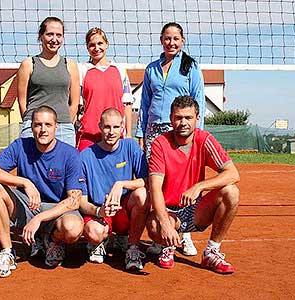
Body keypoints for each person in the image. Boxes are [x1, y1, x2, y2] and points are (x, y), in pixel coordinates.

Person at [0, 105, 84, 278]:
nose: (43, 130)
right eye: (38, 125)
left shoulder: (70, 154)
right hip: (28, 205)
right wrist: (25, 182)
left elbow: (74, 200)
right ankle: (7, 252)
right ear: (31, 127)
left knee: (73, 229)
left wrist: (39, 218)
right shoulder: (21, 146)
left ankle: (52, 241)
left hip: (56, 210)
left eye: (48, 125)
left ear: (56, 127)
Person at [146, 96, 240, 274]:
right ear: (171, 118)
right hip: (168, 210)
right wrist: (165, 224)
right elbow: (155, 188)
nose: (183, 122)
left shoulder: (205, 140)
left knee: (231, 192)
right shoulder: (160, 143)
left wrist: (199, 187)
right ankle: (167, 245)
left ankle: (212, 251)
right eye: (178, 117)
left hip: (194, 209)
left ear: (197, 118)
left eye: (188, 118)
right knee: (154, 225)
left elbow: (233, 173)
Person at [135, 22, 205, 256]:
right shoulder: (151, 68)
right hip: (154, 130)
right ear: (161, 40)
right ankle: (159, 234)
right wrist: (140, 133)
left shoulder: (190, 67)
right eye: (167, 38)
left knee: (181, 182)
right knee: (157, 182)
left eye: (175, 38)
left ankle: (184, 234)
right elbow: (144, 103)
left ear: (182, 41)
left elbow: (199, 102)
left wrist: (197, 133)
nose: (171, 42)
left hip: (181, 129)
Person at [79, 108, 148, 271]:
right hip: (99, 210)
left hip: (123, 208)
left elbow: (147, 180)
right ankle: (99, 241)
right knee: (95, 233)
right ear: (100, 127)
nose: (111, 132)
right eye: (107, 127)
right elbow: (80, 200)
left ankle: (132, 247)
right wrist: (98, 211)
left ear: (123, 127)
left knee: (143, 195)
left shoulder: (130, 147)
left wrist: (122, 184)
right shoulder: (85, 156)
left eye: (116, 127)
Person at [17, 16, 80, 146]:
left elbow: (75, 102)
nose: (54, 39)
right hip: (34, 126)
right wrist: (32, 122)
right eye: (49, 34)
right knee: (32, 166)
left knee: (63, 166)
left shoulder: (70, 65)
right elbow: (22, 100)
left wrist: (66, 121)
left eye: (59, 35)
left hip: (63, 127)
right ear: (41, 36)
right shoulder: (29, 64)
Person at [76, 27, 133, 151]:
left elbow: (127, 104)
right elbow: (76, 105)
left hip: (115, 135)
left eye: (100, 43)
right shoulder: (81, 70)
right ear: (87, 47)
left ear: (107, 44)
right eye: (92, 45)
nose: (96, 48)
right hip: (89, 134)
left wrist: (128, 134)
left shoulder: (119, 70)